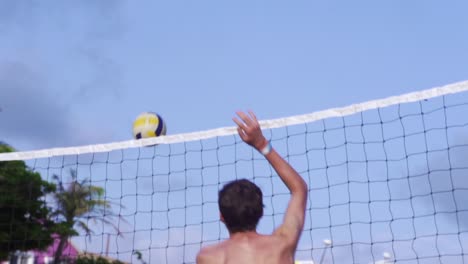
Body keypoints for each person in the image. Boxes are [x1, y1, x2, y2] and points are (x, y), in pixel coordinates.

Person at [196, 111, 308, 264]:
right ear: (261, 212)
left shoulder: (209, 257)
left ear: (221, 216)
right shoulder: (282, 245)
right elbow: (299, 189)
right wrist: (261, 143)